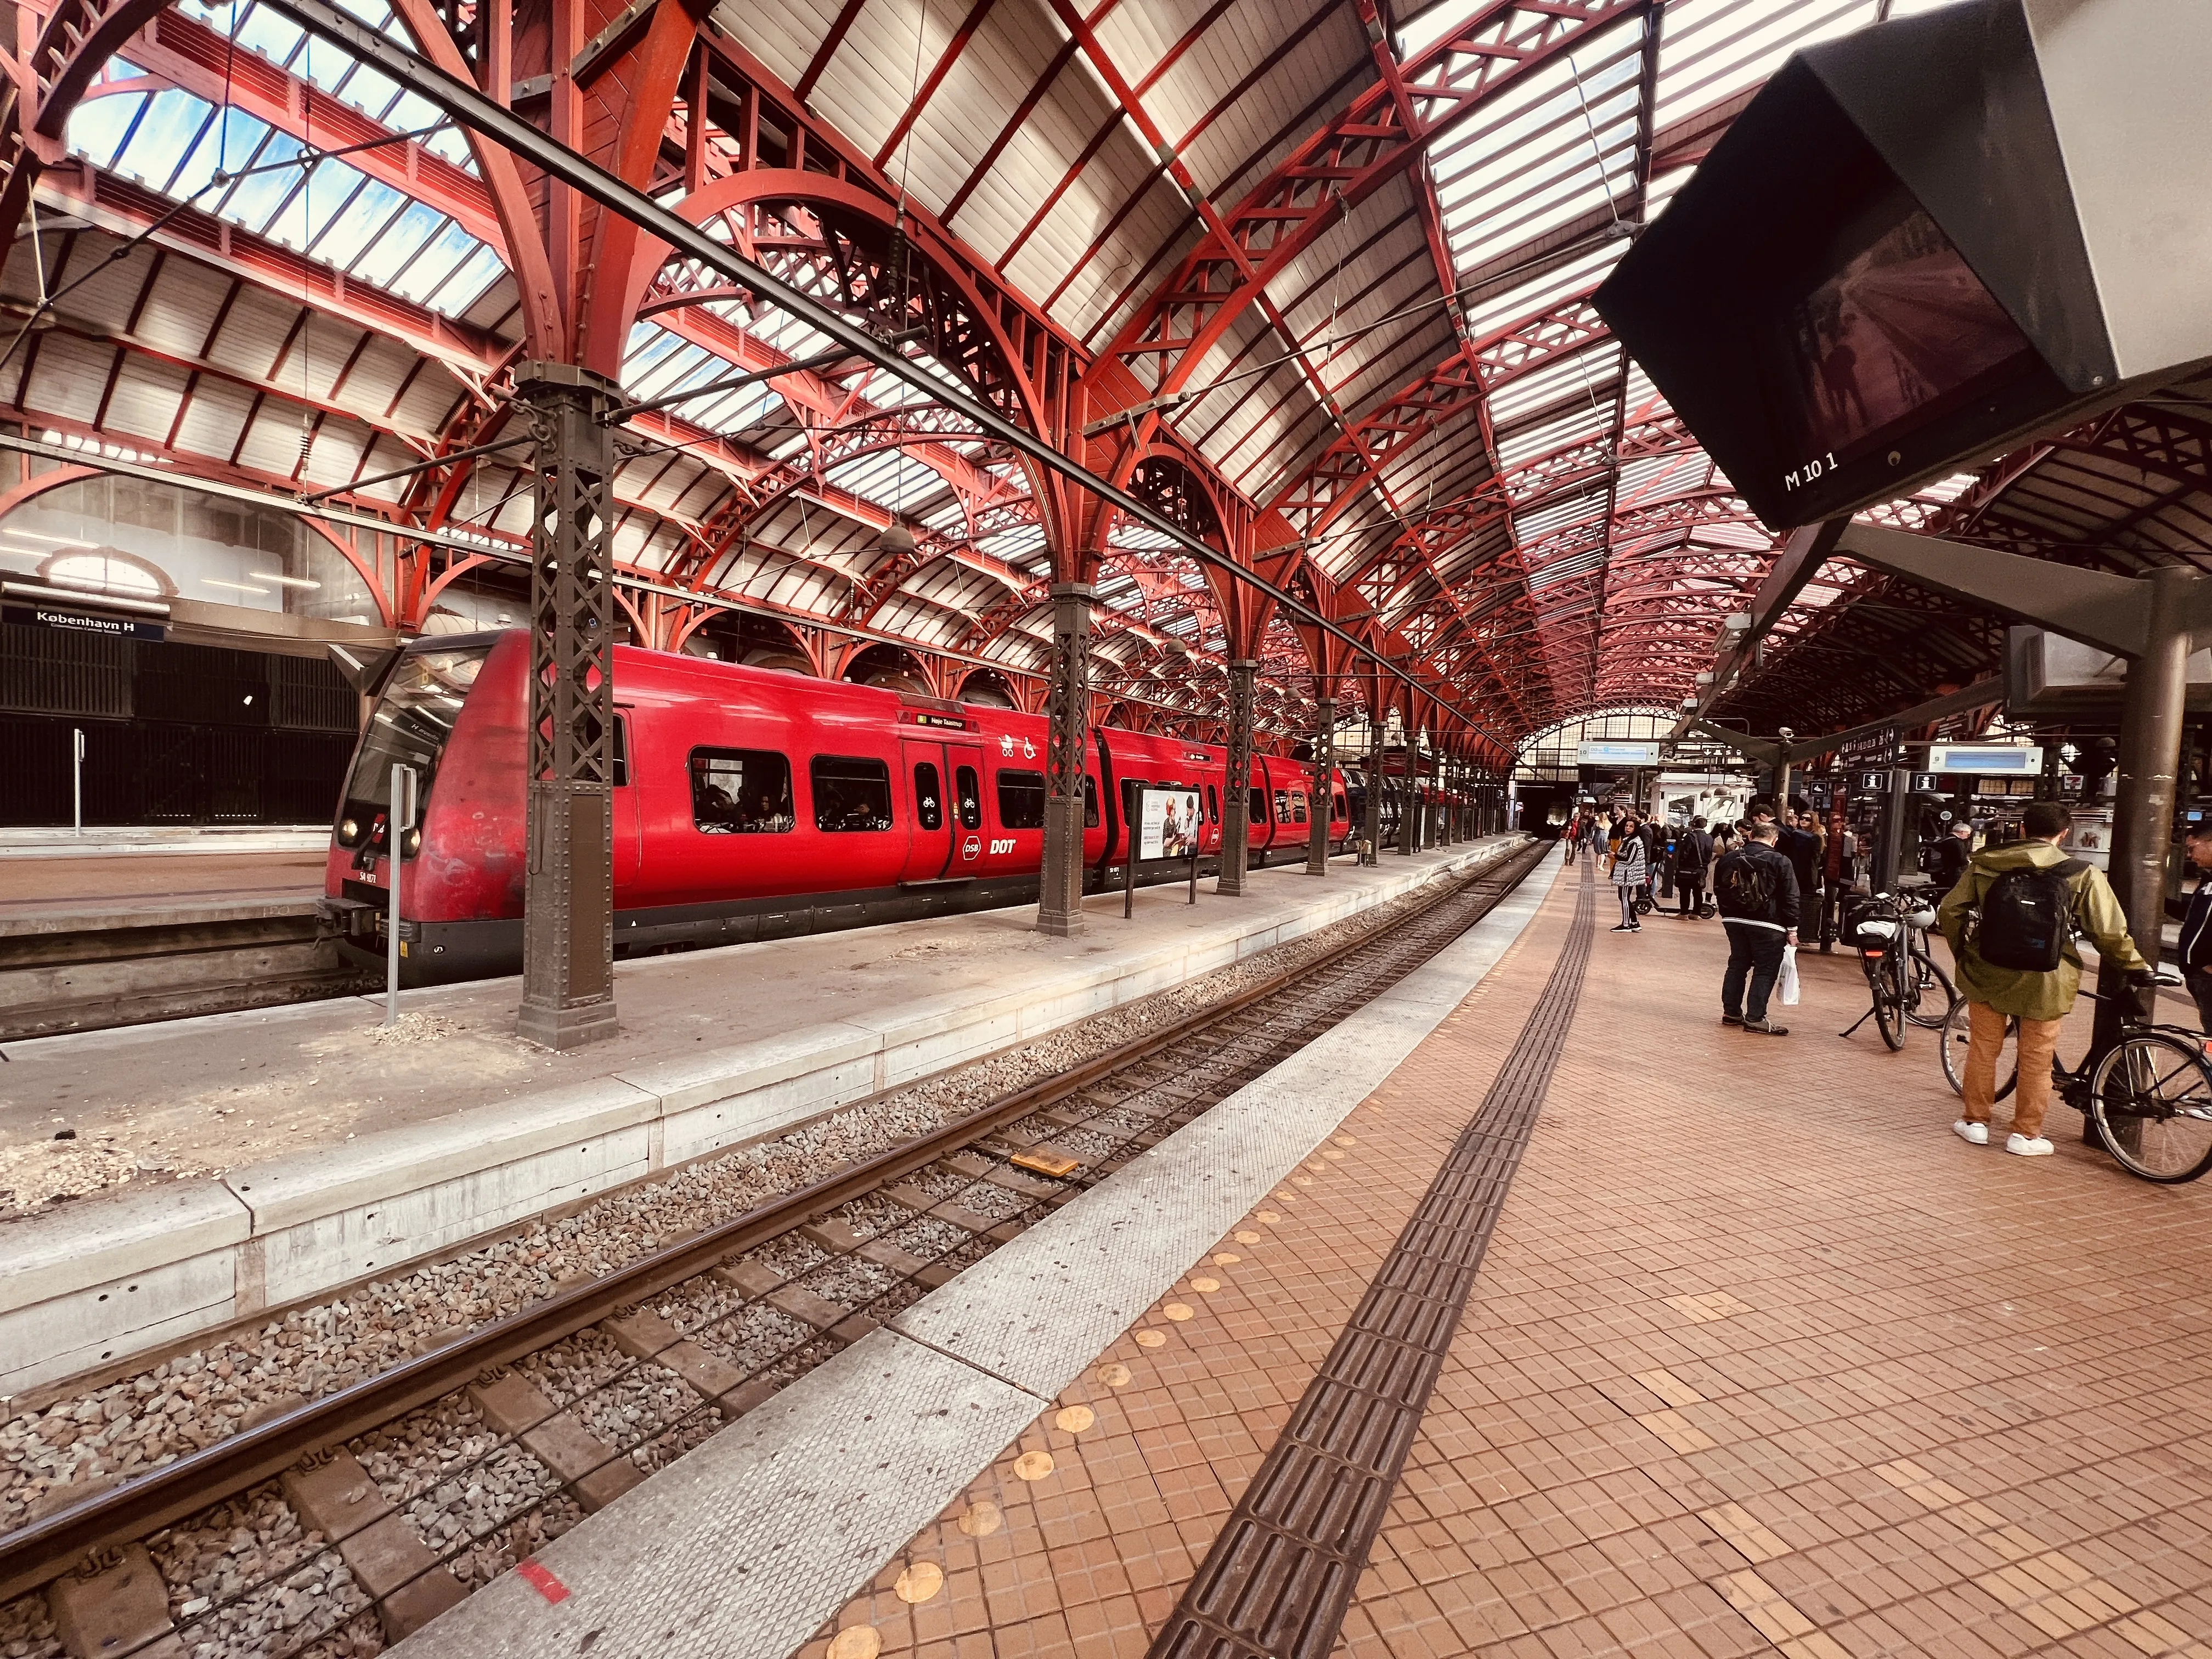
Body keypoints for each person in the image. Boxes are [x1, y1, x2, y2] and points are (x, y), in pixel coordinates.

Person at [1937, 798, 2153, 1157]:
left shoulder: (1986, 866)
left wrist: (1965, 953)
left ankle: (1975, 1123)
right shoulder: (2081, 872)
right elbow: (2109, 931)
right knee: (2037, 1056)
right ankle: (2025, 1134)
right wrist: (2135, 966)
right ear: (2064, 834)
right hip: (2048, 977)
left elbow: (1950, 910)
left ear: (2022, 829)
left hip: (1988, 971)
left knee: (1983, 1049)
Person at [1714, 820, 1799, 1035]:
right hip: (1768, 923)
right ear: (1774, 840)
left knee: (1737, 965)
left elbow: (1719, 888)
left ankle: (1731, 1013)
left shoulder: (1729, 858)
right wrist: (1792, 929)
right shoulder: (1780, 860)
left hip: (1734, 921)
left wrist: (1728, 914)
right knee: (1765, 970)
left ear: (1751, 836)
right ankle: (1756, 1018)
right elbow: (1791, 897)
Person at [2165, 820, 2212, 1029]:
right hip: (2199, 975)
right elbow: (2195, 916)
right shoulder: (2208, 879)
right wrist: (2161, 903)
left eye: (2193, 848)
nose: (2189, 856)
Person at [1608, 812, 1648, 933]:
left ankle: (1626, 924)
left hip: (1628, 875)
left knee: (1624, 898)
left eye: (1631, 827)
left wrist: (1615, 856)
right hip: (1626, 874)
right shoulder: (1628, 839)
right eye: (1627, 826)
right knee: (1623, 897)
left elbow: (1629, 860)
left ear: (1635, 829)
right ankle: (1635, 923)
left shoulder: (1635, 842)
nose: (1627, 828)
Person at [1677, 816, 1714, 917]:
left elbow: (1685, 853)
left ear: (1694, 824)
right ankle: (1696, 913)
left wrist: (1680, 864)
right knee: (1698, 891)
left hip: (1689, 868)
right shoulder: (1709, 838)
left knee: (1685, 891)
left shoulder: (1691, 837)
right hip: (1703, 869)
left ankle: (1684, 913)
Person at [1932, 820, 1974, 893]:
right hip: (1954, 873)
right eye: (1968, 835)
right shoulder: (1958, 843)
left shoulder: (1944, 839)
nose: (1968, 837)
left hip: (1940, 871)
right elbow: (1962, 860)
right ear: (1962, 832)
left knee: (1942, 892)